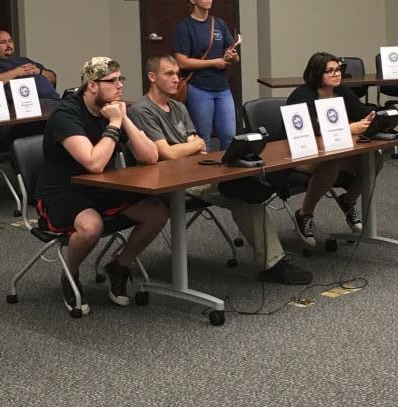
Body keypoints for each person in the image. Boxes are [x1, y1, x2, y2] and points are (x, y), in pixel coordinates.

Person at [129, 55, 313, 285]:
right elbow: (168, 154)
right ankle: (273, 263)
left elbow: (198, 145)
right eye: (169, 74)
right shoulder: (141, 110)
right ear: (152, 77)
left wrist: (191, 147)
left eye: (178, 74)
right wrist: (192, 146)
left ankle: (273, 262)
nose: (176, 79)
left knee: (246, 190)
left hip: (194, 171)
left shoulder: (178, 106)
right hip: (166, 180)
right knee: (242, 192)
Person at [35, 57, 169, 314]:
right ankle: (70, 274)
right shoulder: (66, 113)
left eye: (121, 79)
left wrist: (125, 119)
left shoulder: (113, 110)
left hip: (100, 186)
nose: (120, 86)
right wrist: (115, 123)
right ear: (91, 86)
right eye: (112, 81)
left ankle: (120, 265)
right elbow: (93, 162)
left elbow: (150, 156)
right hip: (62, 190)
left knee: (157, 212)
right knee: (91, 227)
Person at [286, 53, 378, 248]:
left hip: (334, 149)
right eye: (330, 71)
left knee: (374, 158)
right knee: (331, 161)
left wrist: (373, 118)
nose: (337, 74)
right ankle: (305, 214)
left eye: (339, 70)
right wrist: (349, 128)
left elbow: (360, 112)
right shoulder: (301, 96)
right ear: (316, 73)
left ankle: (348, 200)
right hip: (299, 153)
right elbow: (308, 130)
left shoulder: (341, 90)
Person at [172, 0, 238, 150]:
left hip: (222, 88)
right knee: (203, 138)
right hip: (199, 87)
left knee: (230, 136)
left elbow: (233, 58)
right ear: (192, 0)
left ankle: (229, 176)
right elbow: (181, 62)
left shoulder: (219, 24)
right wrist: (213, 62)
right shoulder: (185, 27)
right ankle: (207, 175)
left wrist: (232, 56)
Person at [0, 29, 59, 100]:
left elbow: (53, 78)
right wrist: (17, 72)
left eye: (10, 41)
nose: (8, 45)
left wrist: (40, 71)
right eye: (3, 42)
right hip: (24, 107)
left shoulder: (24, 60)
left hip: (53, 101)